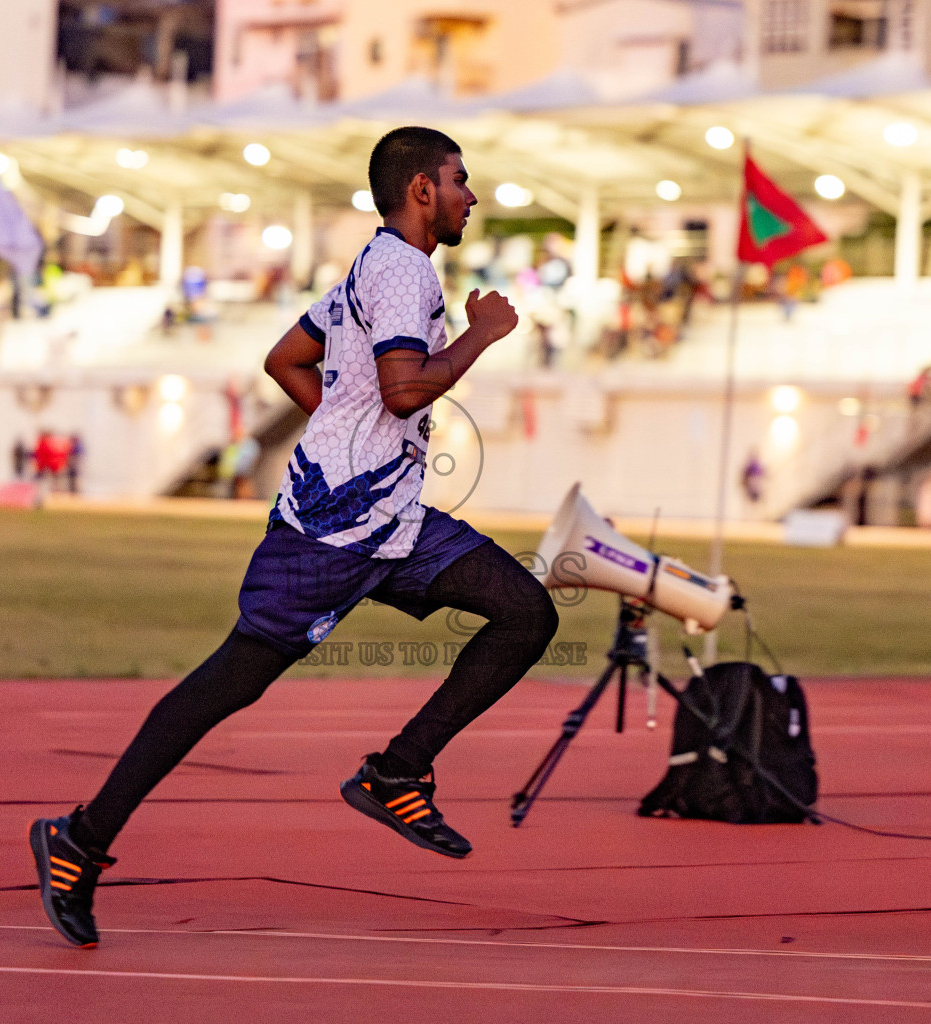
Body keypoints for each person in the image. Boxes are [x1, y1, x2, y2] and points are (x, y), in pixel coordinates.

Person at [29, 126, 558, 949]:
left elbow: (288, 360)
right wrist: (483, 334)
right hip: (329, 533)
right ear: (422, 189)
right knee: (227, 686)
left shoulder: (372, 266)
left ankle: (397, 772)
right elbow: (404, 389)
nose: (471, 195)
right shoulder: (400, 270)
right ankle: (79, 841)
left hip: (391, 518)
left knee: (526, 612)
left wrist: (345, 436)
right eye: (460, 180)